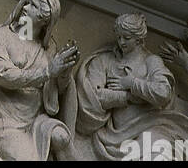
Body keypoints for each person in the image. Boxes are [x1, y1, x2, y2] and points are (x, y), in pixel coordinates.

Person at [0, 0, 78, 160]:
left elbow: (56, 91)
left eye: (33, 6)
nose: (25, 7)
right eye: (27, 2)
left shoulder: (48, 49)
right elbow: (1, 74)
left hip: (35, 119)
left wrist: (64, 71)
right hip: (5, 120)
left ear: (44, 20)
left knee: (62, 137)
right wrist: (47, 72)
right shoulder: (3, 36)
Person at [74, 12, 188, 160]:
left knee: (157, 152)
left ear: (139, 40)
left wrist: (132, 83)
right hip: (115, 136)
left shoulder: (151, 61)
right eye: (119, 37)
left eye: (127, 38)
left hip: (152, 126)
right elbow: (94, 95)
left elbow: (163, 93)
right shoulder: (104, 61)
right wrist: (128, 96)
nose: (121, 42)